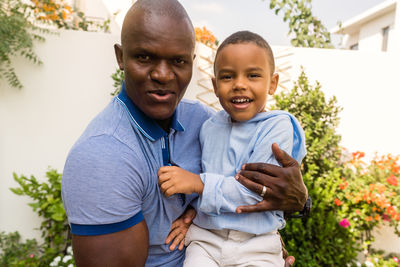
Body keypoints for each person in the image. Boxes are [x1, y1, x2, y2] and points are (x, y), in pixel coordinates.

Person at [61, 0, 307, 266]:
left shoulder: (204, 121)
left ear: (191, 62)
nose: (163, 75)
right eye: (145, 57)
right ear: (121, 57)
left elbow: (241, 182)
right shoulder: (102, 155)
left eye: (177, 61)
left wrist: (299, 201)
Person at [158, 31, 306, 267]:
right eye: (227, 77)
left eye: (253, 75)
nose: (239, 84)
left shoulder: (278, 126)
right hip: (206, 241)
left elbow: (256, 191)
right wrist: (192, 213)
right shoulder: (209, 127)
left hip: (256, 246)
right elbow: (218, 178)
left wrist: (198, 183)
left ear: (273, 83)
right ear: (215, 86)